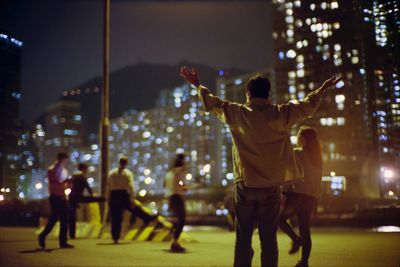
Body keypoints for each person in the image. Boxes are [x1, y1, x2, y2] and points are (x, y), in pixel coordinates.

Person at [180, 66, 341, 267]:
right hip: (271, 187)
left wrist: (197, 84)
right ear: (268, 94)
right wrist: (323, 88)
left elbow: (212, 102)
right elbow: (307, 105)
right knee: (269, 240)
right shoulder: (281, 113)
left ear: (248, 94)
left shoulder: (237, 112)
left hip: (245, 185)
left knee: (243, 239)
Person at [279, 127, 323, 267]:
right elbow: (318, 182)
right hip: (310, 198)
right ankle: (304, 262)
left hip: (297, 195)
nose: (297, 139)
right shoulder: (318, 159)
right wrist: (316, 201)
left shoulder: (297, 153)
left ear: (303, 138)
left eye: (298, 136)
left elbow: (290, 175)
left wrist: (284, 193)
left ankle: (295, 239)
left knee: (279, 219)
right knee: (305, 231)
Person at [107, 156, 157, 243]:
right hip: (123, 194)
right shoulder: (128, 173)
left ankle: (115, 237)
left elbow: (108, 186)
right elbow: (131, 187)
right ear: (126, 163)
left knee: (116, 217)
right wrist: (132, 199)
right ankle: (147, 218)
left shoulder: (112, 172)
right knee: (134, 208)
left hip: (114, 195)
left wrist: (108, 199)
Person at [38, 152, 74, 249]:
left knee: (64, 220)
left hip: (62, 197)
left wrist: (69, 184)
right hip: (55, 196)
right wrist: (66, 181)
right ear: (60, 159)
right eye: (64, 159)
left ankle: (63, 242)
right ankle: (43, 235)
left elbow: (64, 184)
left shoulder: (64, 170)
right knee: (54, 218)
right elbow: (55, 181)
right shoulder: (52, 169)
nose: (65, 161)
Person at [164, 153, 190, 252]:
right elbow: (181, 186)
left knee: (175, 220)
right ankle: (174, 241)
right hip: (176, 197)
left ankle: (174, 242)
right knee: (182, 219)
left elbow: (166, 186)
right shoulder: (178, 172)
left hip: (170, 197)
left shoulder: (169, 173)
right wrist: (185, 188)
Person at [68, 163, 93, 239]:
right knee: (73, 215)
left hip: (71, 196)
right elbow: (86, 185)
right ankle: (72, 234)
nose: (87, 170)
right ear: (83, 169)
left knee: (71, 215)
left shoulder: (74, 175)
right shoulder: (81, 176)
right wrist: (91, 194)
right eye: (86, 168)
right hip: (78, 196)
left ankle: (71, 234)